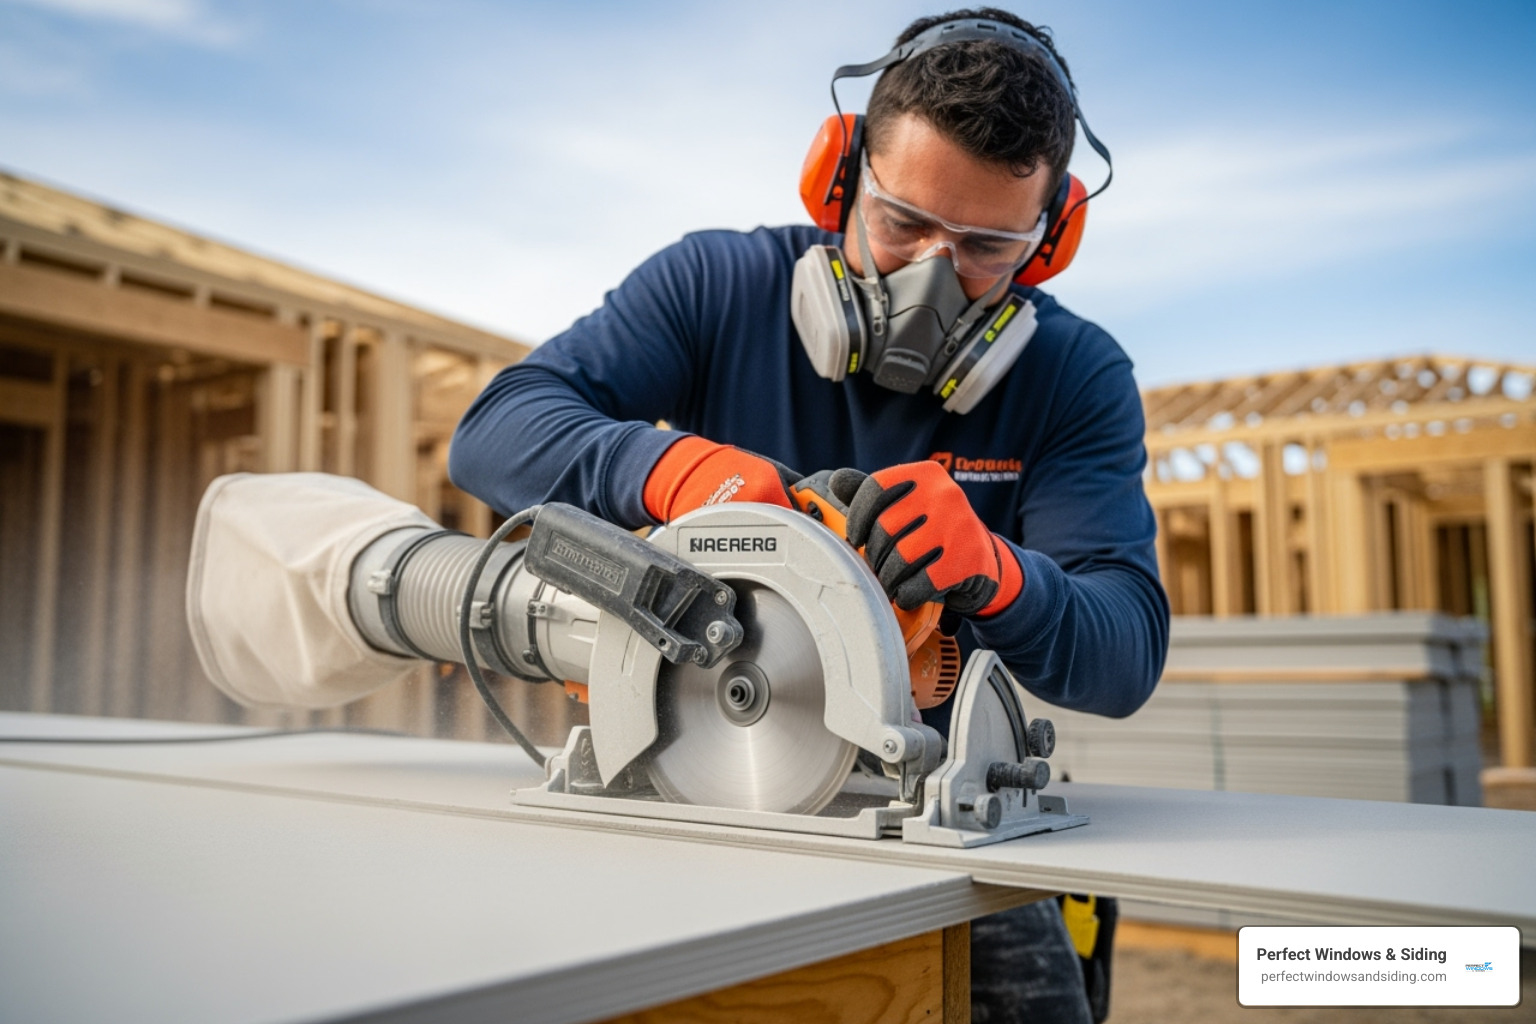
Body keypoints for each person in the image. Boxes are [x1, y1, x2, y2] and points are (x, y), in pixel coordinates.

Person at [451, 8, 1168, 1021]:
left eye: (985, 247)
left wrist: (1000, 574)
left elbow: (1125, 651)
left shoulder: (1073, 376)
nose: (930, 275)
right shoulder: (715, 289)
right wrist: (672, 469)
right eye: (903, 222)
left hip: (933, 815)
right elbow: (493, 430)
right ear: (839, 176)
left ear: (1050, 241)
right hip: (694, 777)